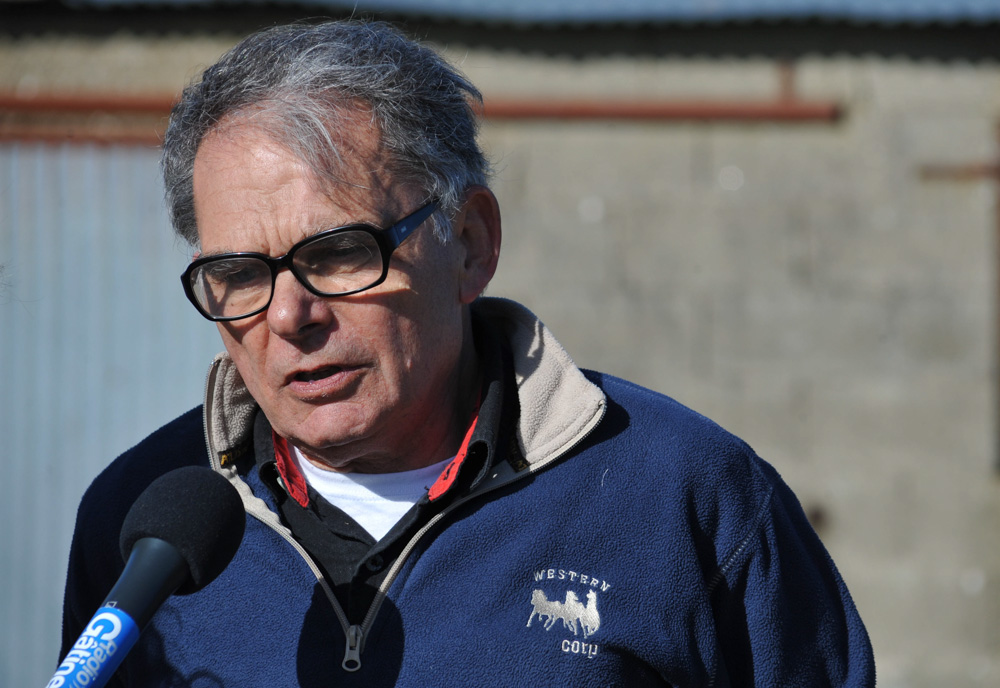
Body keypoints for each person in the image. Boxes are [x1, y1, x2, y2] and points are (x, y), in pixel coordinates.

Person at [59, 20, 876, 687]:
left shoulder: (686, 500)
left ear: (472, 243)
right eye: (238, 274)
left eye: (341, 253)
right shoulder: (140, 531)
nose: (290, 315)